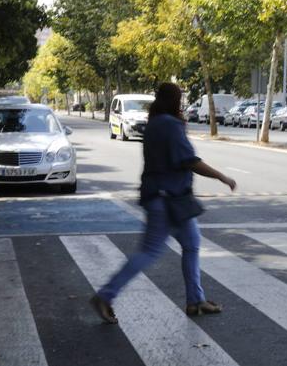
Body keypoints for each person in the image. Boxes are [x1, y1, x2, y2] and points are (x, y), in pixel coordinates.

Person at [90, 82, 236, 324]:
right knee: (149, 252)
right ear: (175, 100)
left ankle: (195, 300)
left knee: (191, 244)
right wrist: (222, 176)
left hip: (170, 197)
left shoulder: (157, 122)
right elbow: (189, 160)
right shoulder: (169, 125)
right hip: (166, 199)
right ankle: (105, 295)